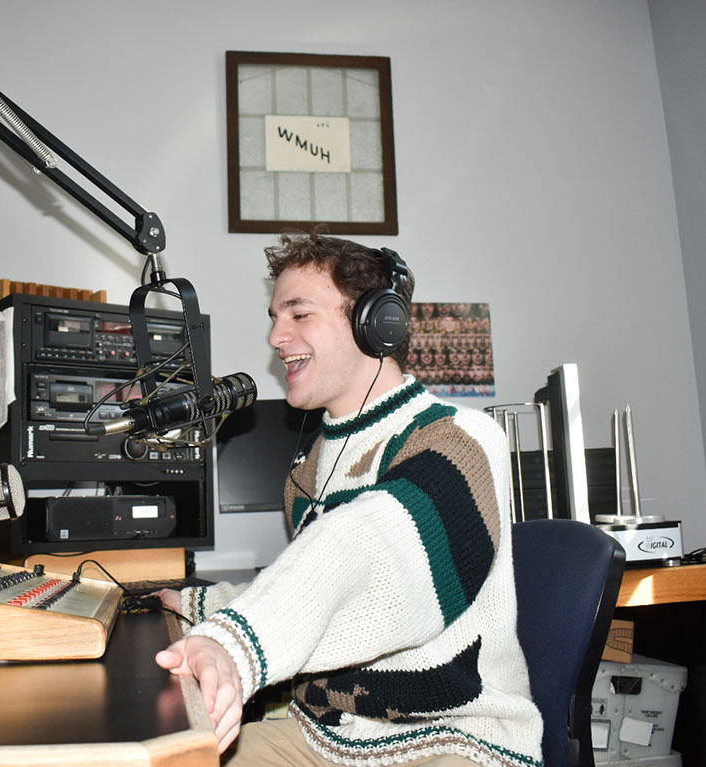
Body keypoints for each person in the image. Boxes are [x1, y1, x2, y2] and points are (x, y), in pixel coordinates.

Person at [155, 229, 542, 767]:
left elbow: (373, 548)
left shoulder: (463, 439)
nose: (275, 336)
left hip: (453, 738)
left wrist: (236, 644)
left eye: (299, 314)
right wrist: (197, 604)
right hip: (323, 736)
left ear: (375, 324)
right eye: (274, 316)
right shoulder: (309, 468)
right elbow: (322, 594)